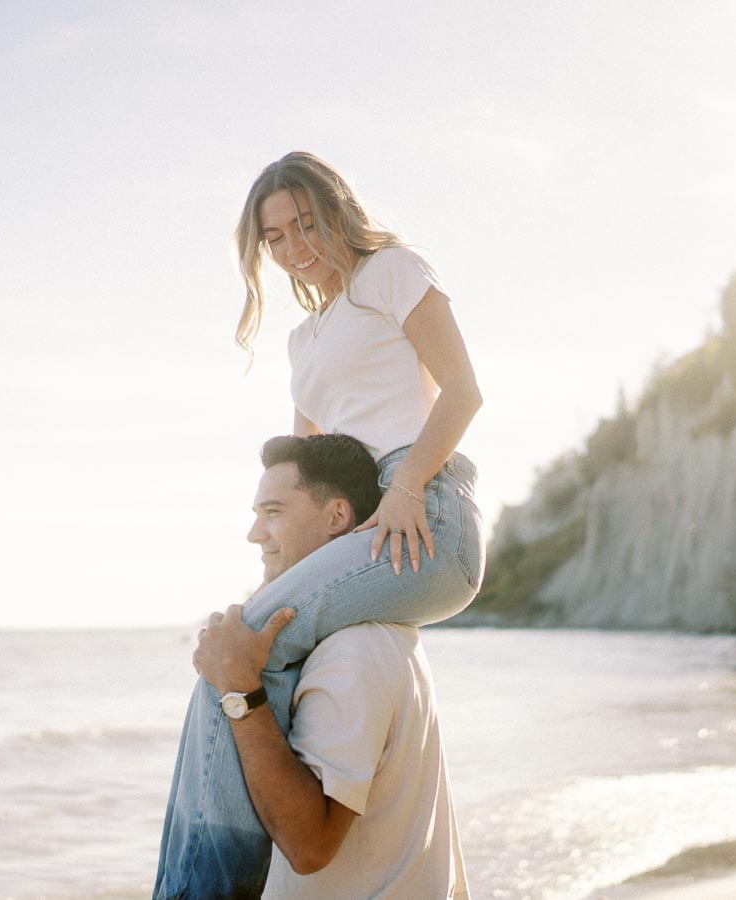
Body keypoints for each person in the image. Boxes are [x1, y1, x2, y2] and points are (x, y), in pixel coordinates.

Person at [154, 151, 485, 898]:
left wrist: (405, 484)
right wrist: (279, 542)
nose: (296, 246)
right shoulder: (305, 340)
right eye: (275, 237)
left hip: (426, 516)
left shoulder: (391, 273)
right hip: (367, 523)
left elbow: (463, 391)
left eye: (307, 223)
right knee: (236, 652)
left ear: (339, 210)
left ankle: (202, 889)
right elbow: (309, 464)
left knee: (237, 660)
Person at [192, 434, 469, 898]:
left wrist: (239, 690)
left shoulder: (352, 651)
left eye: (273, 512)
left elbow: (309, 846)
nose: (254, 534)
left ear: (337, 517)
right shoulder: (387, 632)